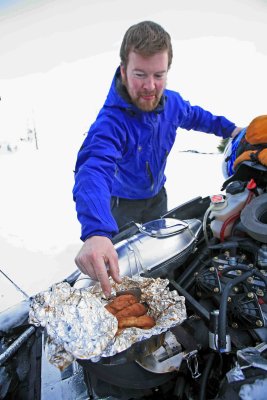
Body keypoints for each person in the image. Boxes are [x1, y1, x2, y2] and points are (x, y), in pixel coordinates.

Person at [73, 20, 242, 297]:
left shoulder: (171, 103)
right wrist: (96, 231)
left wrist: (233, 130)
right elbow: (92, 169)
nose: (150, 86)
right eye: (140, 74)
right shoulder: (110, 122)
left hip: (157, 197)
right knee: (124, 277)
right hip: (121, 206)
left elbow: (198, 116)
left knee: (161, 261)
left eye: (159, 75)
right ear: (123, 69)